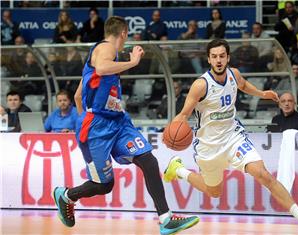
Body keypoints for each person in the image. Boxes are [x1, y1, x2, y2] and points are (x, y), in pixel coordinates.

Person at [52, 16, 199, 235]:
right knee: (104, 185)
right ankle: (66, 196)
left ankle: (166, 219)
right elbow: (102, 68)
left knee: (148, 161)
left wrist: (90, 113)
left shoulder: (96, 57)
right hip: (97, 128)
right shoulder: (106, 48)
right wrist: (133, 62)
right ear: (124, 33)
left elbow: (77, 96)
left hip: (118, 122)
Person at [163, 39, 298, 235]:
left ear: (228, 58)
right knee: (214, 192)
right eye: (214, 57)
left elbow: (243, 85)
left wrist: (262, 93)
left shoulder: (234, 74)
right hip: (209, 146)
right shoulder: (201, 85)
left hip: (234, 138)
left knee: (264, 175)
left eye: (222, 56)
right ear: (208, 59)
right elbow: (183, 114)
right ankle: (178, 169)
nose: (218, 60)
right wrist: (171, 130)